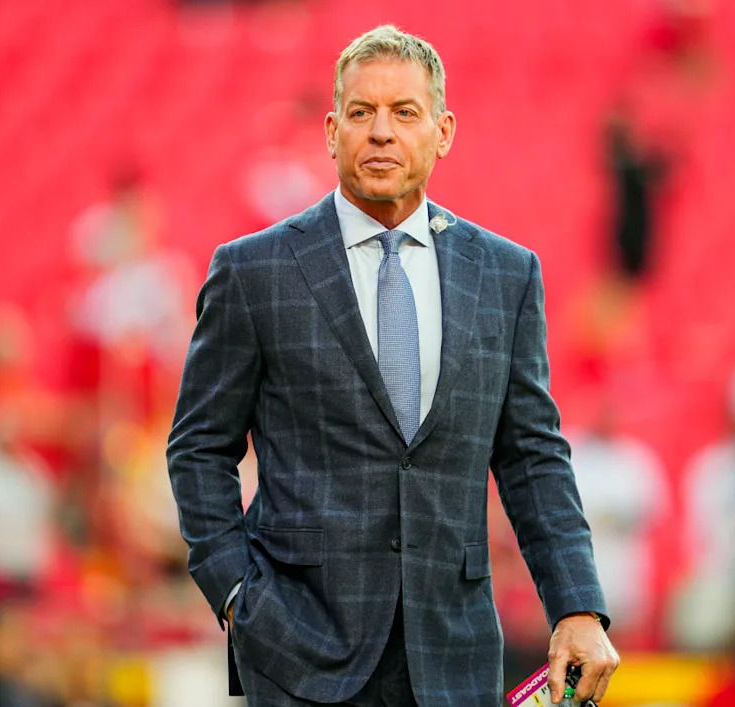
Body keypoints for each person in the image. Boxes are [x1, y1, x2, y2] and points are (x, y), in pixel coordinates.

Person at [167, 25, 618, 706]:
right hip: (294, 650)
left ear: (443, 132)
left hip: (454, 654)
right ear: (331, 131)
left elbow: (531, 456)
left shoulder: (505, 275)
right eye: (362, 112)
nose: (381, 132)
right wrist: (235, 592)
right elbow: (199, 447)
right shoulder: (253, 271)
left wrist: (577, 605)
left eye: (405, 112)